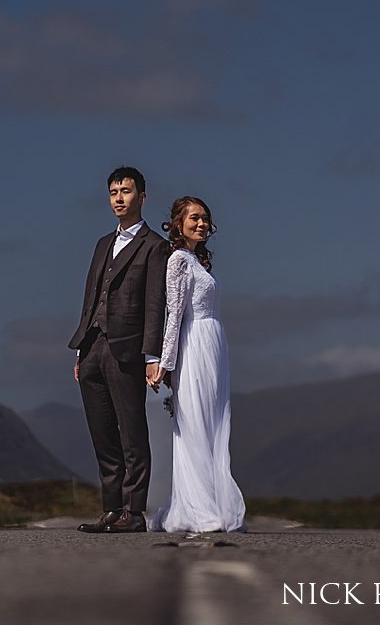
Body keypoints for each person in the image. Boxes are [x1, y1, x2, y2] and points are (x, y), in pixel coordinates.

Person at [68, 166, 169, 533]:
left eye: (126, 191)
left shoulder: (156, 247)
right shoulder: (101, 244)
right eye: (113, 192)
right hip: (92, 346)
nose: (119, 198)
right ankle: (111, 509)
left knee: (132, 433)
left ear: (142, 196)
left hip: (127, 350)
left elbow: (155, 304)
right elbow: (90, 297)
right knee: (102, 434)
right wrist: (80, 348)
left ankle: (134, 512)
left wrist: (152, 356)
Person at [147, 196, 247, 533]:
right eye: (194, 217)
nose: (201, 223)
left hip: (214, 348)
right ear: (178, 222)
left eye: (205, 218)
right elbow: (174, 314)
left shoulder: (198, 261)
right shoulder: (177, 261)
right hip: (193, 347)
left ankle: (215, 502)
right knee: (195, 425)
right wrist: (165, 362)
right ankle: (198, 509)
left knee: (215, 424)